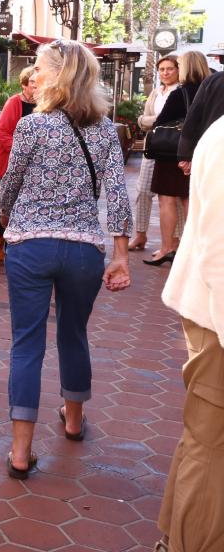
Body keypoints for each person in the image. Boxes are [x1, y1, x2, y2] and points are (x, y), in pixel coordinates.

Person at [0, 39, 131, 480]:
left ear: (57, 75)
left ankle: (20, 451)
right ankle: (73, 420)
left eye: (38, 68)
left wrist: (5, 219)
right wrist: (121, 256)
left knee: (27, 342)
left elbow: (10, 183)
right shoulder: (105, 129)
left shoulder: (34, 127)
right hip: (83, 250)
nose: (33, 75)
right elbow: (117, 196)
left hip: (31, 245)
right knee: (73, 334)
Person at [157, 115, 224, 552]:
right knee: (210, 444)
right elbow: (217, 251)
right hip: (216, 316)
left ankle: (174, 534)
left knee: (205, 438)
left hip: (211, 310)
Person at [146, 50, 209, 266]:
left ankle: (167, 248)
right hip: (202, 150)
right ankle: (196, 249)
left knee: (167, 200)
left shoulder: (179, 94)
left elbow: (160, 122)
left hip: (172, 153)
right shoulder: (212, 90)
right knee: (191, 200)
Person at [132, 56, 182, 251]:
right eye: (162, 69)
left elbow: (172, 120)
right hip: (153, 146)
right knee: (143, 191)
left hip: (172, 149)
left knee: (172, 195)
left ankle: (174, 241)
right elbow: (142, 120)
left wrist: (153, 121)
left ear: (178, 70)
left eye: (170, 69)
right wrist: (158, 121)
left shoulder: (181, 92)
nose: (165, 73)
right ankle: (140, 234)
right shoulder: (155, 92)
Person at [0, 68, 39, 178]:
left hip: (33, 162)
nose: (36, 84)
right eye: (32, 81)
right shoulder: (14, 102)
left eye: (37, 81)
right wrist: (20, 150)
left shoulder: (43, 103)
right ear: (24, 85)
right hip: (12, 160)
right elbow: (0, 131)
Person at [176, 62, 224, 175]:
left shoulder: (213, 80)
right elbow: (193, 117)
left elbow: (193, 118)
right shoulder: (213, 80)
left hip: (214, 150)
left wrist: (185, 154)